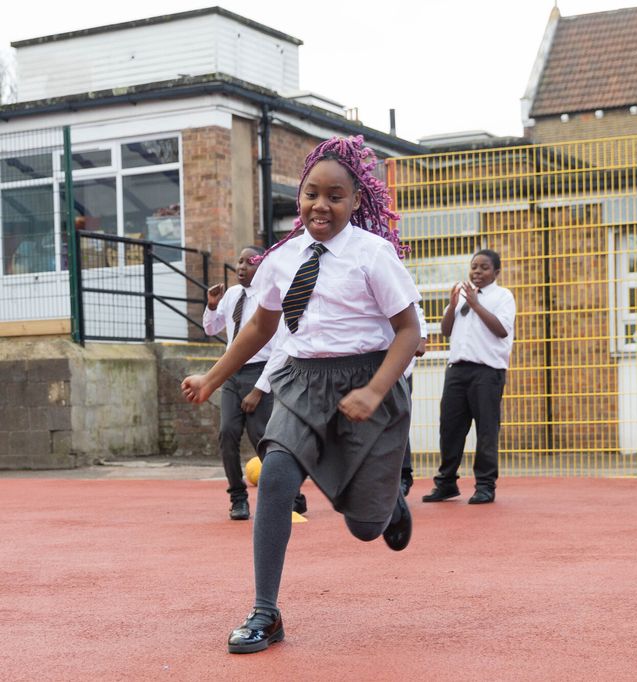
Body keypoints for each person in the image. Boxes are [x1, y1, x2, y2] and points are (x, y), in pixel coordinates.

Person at [181, 136, 421, 654]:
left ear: (356, 201)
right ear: (301, 198)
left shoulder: (372, 255)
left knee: (363, 526)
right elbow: (258, 329)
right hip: (302, 380)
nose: (321, 205)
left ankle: (389, 507)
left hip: (368, 381)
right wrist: (212, 377)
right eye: (312, 193)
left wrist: (377, 390)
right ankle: (265, 610)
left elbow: (408, 331)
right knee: (276, 474)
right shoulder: (282, 258)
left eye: (335, 196)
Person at [202, 245, 300, 520]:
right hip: (233, 373)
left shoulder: (271, 299)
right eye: (239, 261)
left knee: (264, 441)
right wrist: (211, 305)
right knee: (227, 434)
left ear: (263, 267)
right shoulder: (232, 295)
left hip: (261, 374)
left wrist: (259, 389)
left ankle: (291, 495)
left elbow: (281, 347)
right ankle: (238, 498)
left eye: (250, 262)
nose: (241, 267)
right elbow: (211, 329)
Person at [422, 249, 516, 505]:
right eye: (474, 266)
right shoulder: (461, 295)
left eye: (484, 267)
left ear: (496, 272)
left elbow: (501, 330)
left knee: (486, 430)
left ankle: (485, 485)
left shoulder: (503, 296)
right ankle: (447, 483)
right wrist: (453, 306)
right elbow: (445, 330)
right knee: (449, 429)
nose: (477, 271)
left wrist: (476, 305)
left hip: (487, 373)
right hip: (457, 371)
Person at [400, 303, 428, 497]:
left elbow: (415, 310)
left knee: (398, 423)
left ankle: (403, 476)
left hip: (399, 370)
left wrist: (422, 338)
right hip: (366, 368)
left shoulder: (396, 277)